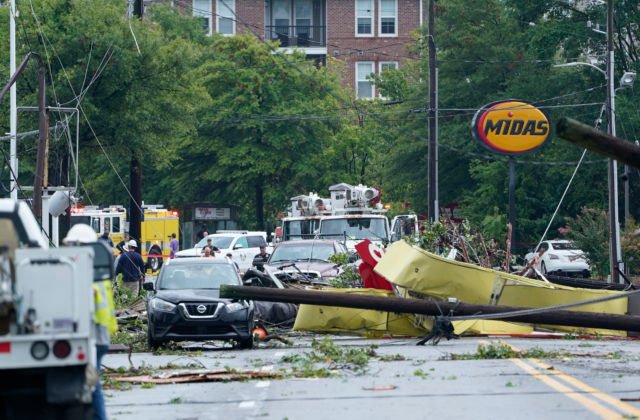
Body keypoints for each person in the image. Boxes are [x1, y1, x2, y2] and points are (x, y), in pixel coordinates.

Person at [62, 224, 117, 420]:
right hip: (99, 336)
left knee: (93, 387)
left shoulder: (88, 273)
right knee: (92, 384)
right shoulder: (97, 270)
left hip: (94, 337)